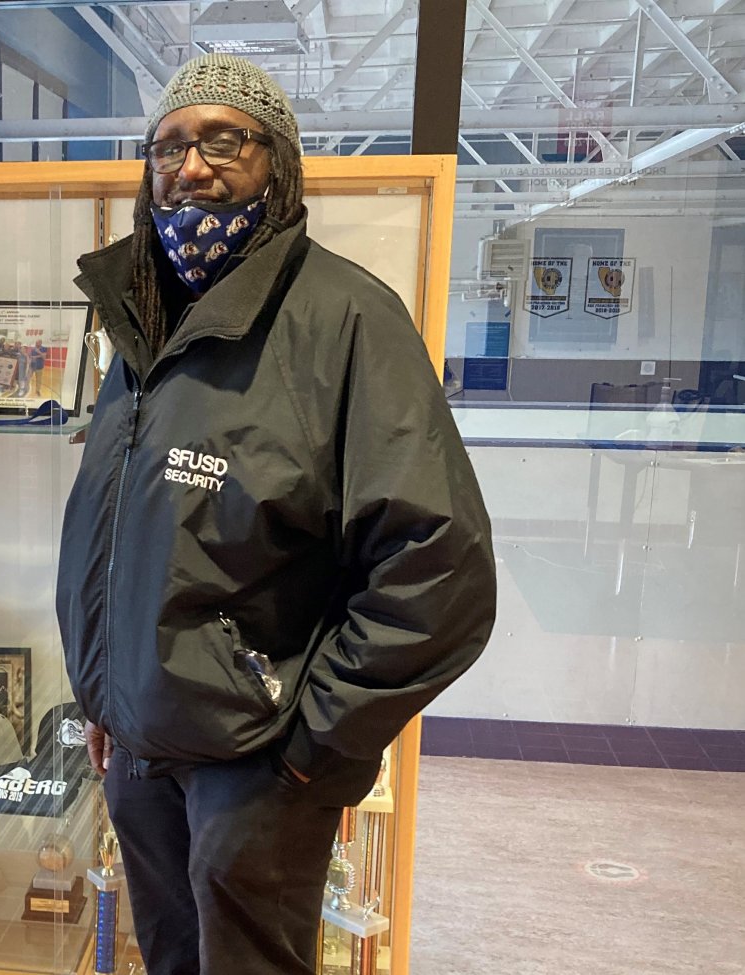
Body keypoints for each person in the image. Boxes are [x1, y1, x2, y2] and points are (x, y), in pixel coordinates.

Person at [55, 53, 497, 975]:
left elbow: (439, 562)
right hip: (139, 745)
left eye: (226, 140)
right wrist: (102, 691)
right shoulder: (143, 318)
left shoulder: (345, 321)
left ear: (281, 164)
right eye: (169, 145)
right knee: (172, 960)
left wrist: (311, 744)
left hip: (256, 766)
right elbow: (125, 529)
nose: (193, 166)